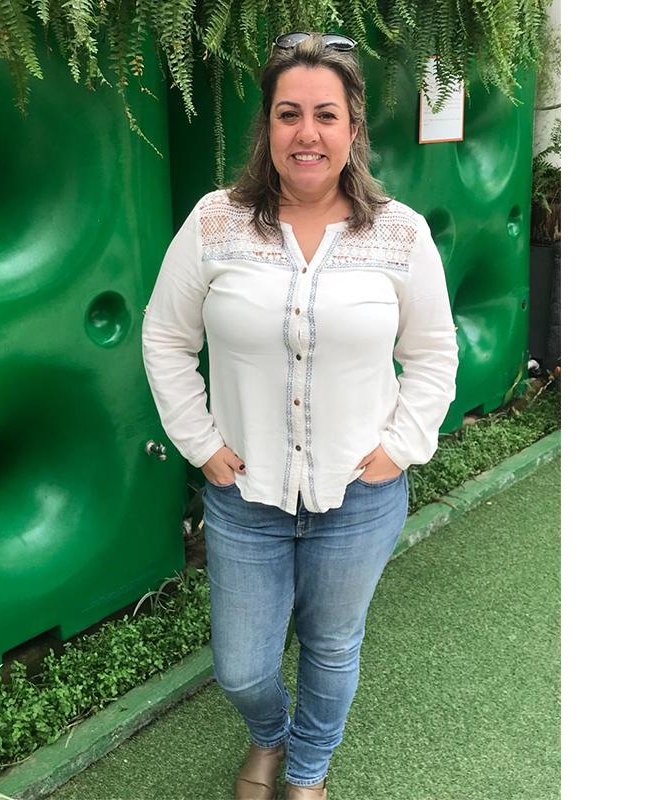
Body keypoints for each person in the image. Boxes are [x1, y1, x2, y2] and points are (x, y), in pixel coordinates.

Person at [141, 31, 459, 800]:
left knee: (332, 645)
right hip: (245, 495)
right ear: (268, 125)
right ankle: (270, 733)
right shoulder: (217, 222)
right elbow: (164, 337)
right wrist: (201, 443)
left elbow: (433, 352)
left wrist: (400, 447)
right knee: (241, 666)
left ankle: (307, 771)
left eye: (325, 114)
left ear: (353, 126)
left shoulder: (399, 233)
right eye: (289, 114)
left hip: (359, 496)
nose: (306, 133)